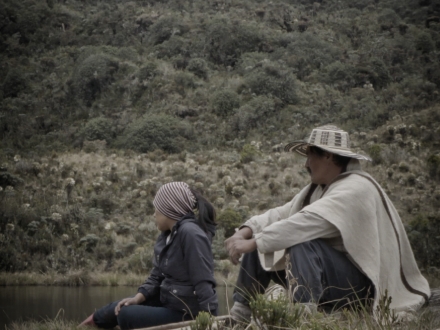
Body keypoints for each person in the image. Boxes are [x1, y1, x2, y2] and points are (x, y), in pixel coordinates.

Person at [225, 124, 430, 322]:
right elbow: (283, 214)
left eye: (310, 156)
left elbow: (304, 223)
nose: (306, 164)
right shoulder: (320, 189)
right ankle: (240, 314)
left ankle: (304, 318)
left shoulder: (356, 188)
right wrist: (246, 231)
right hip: (329, 277)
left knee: (301, 242)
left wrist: (254, 242)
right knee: (263, 238)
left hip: (361, 287)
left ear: (328, 156)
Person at [80, 182, 218, 329]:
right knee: (116, 308)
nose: (154, 214)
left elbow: (203, 280)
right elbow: (156, 276)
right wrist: (138, 298)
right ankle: (83, 326)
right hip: (169, 302)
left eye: (157, 208)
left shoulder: (190, 233)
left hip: (186, 313)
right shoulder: (167, 235)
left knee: (125, 315)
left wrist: (210, 320)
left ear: (168, 209)